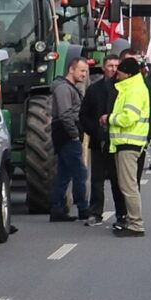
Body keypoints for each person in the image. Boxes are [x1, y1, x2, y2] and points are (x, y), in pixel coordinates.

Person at [108, 54, 151, 237]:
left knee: (128, 187)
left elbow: (128, 118)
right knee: (127, 185)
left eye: (119, 71)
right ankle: (132, 221)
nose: (116, 74)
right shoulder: (131, 88)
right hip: (127, 143)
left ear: (127, 74)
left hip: (129, 143)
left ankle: (136, 223)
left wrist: (109, 118)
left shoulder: (133, 91)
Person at [49, 57, 91, 222]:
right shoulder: (63, 89)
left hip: (65, 133)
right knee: (80, 172)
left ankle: (57, 208)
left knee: (64, 173)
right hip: (66, 134)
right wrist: (74, 134)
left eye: (86, 71)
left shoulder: (67, 88)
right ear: (71, 69)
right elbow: (65, 114)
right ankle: (83, 207)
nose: (84, 74)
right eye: (82, 70)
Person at [80, 58, 119, 227]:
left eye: (116, 66)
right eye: (110, 66)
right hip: (98, 142)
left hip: (117, 142)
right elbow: (84, 115)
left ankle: (122, 214)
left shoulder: (122, 89)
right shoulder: (93, 90)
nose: (113, 69)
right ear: (104, 68)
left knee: (118, 181)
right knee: (97, 180)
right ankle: (95, 212)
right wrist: (93, 131)